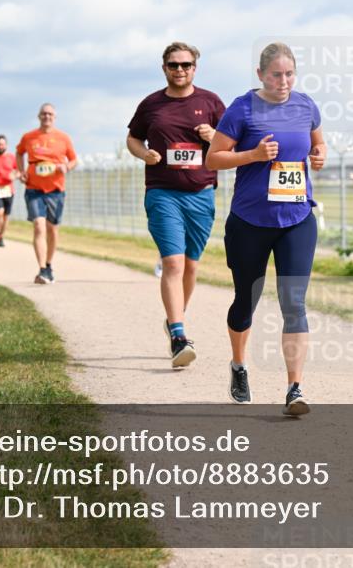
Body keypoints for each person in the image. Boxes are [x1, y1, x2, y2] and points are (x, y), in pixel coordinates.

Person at [206, 42, 326, 416]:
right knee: (246, 302)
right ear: (260, 74)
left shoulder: (306, 105)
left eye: (289, 74)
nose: (284, 81)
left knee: (294, 302)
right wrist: (253, 155)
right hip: (250, 222)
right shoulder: (242, 108)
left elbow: (317, 145)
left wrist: (319, 157)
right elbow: (214, 157)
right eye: (276, 74)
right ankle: (239, 366)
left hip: (296, 218)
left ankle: (295, 388)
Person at [127, 41, 225, 369]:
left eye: (185, 65)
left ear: (195, 68)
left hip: (201, 194)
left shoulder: (211, 102)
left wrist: (214, 135)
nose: (179, 70)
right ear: (164, 68)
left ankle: (174, 320)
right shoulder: (151, 105)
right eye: (173, 65)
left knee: (191, 266)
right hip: (162, 192)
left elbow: (232, 142)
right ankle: (180, 336)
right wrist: (144, 154)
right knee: (173, 263)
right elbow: (132, 138)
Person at [16, 103, 77, 284]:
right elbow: (19, 154)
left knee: (52, 228)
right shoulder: (29, 137)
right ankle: (42, 269)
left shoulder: (63, 138)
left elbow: (73, 160)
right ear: (38, 116)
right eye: (43, 113)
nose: (46, 116)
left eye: (50, 114)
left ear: (54, 117)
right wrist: (21, 172)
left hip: (56, 189)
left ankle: (49, 264)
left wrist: (66, 166)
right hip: (34, 188)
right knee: (38, 225)